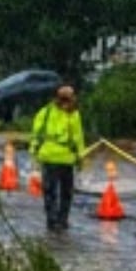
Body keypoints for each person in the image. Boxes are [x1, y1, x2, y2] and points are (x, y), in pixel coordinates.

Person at [29, 83, 86, 231]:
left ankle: (52, 221)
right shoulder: (73, 114)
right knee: (65, 192)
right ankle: (62, 220)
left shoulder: (45, 112)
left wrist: (34, 152)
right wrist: (81, 157)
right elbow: (78, 137)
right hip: (65, 159)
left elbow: (36, 133)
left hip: (50, 157)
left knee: (50, 192)